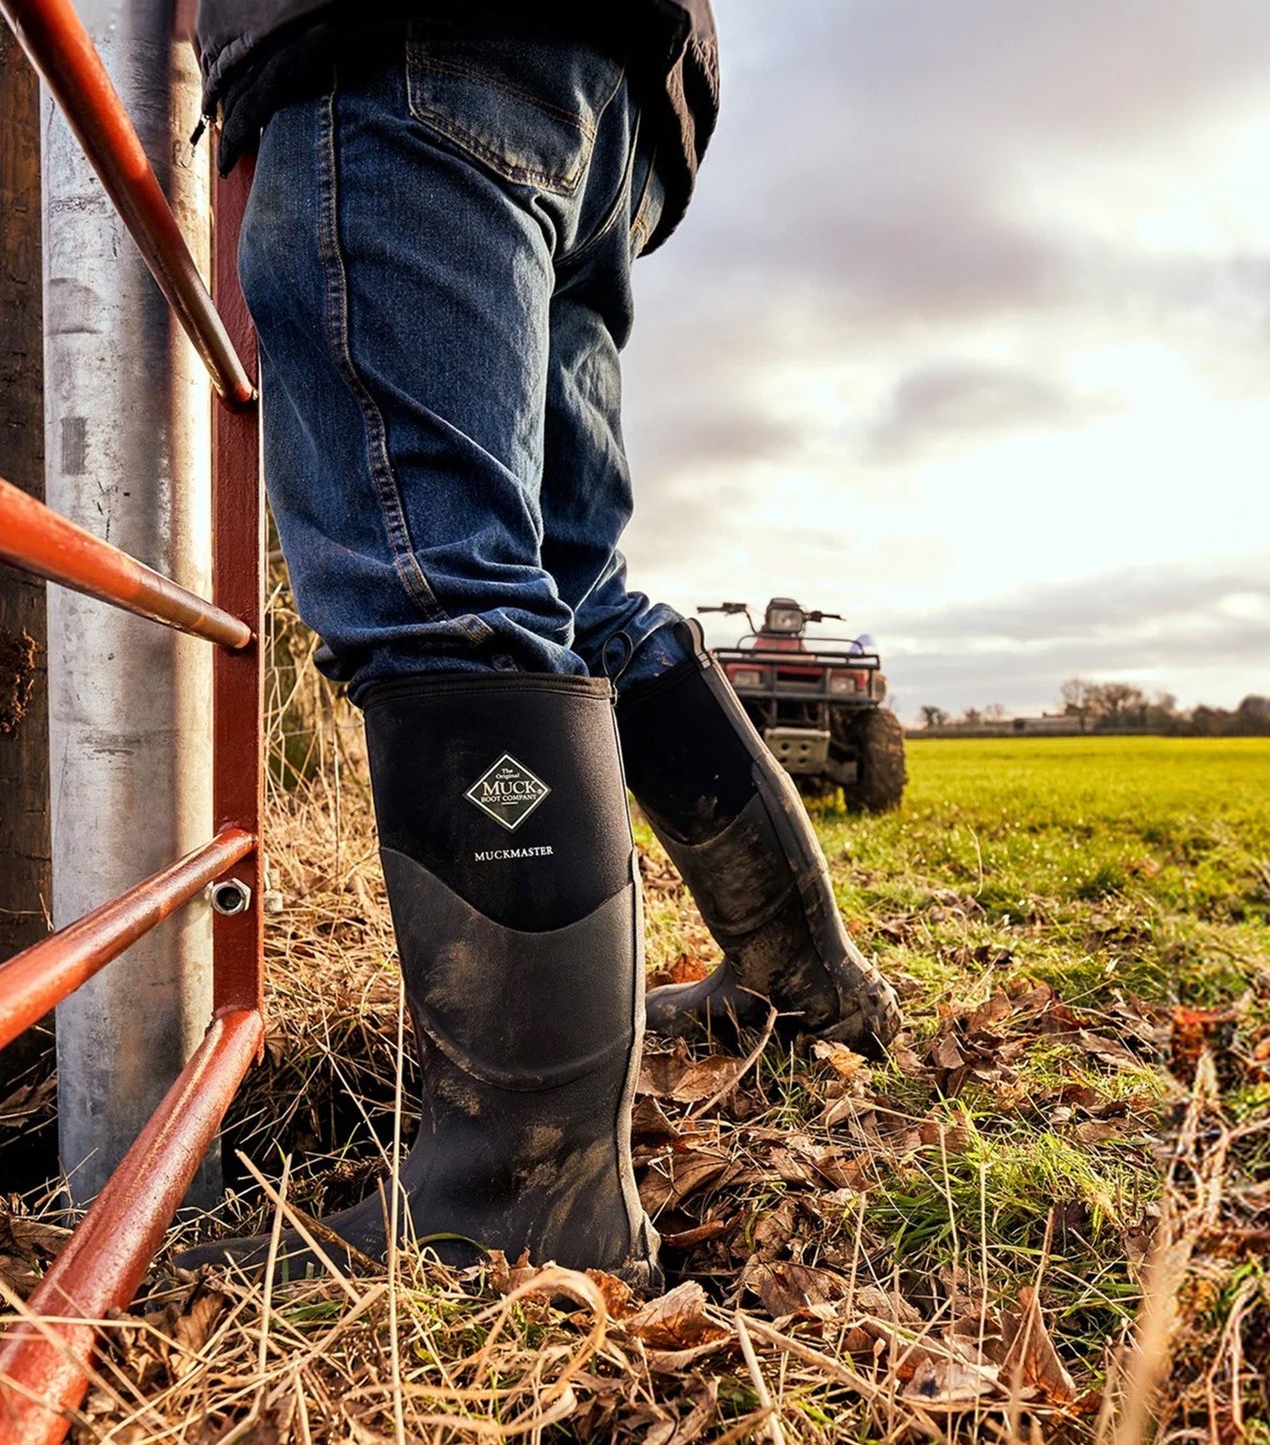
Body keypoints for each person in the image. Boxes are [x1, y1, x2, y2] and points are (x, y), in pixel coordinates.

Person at [180, 0, 901, 1286]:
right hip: (621, 92)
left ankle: (520, 1192)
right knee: (574, 585)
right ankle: (798, 968)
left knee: (433, 580)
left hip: (397, 41)